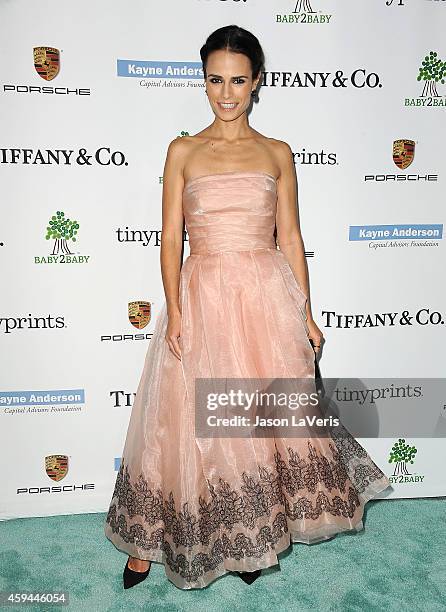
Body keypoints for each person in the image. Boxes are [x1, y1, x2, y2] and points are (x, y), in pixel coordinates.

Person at [104, 24, 392, 591]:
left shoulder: (277, 152)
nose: (226, 93)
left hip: (265, 298)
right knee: (183, 427)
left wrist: (305, 312)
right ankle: (149, 541)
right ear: (204, 81)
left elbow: (290, 238)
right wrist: (178, 314)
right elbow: (169, 240)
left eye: (238, 81)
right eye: (215, 80)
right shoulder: (182, 150)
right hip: (203, 296)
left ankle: (251, 535)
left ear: (257, 82)